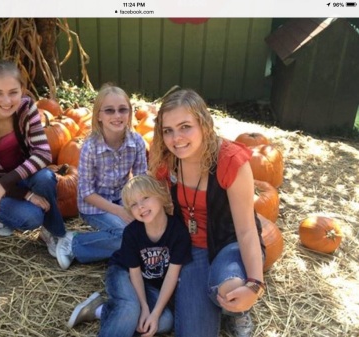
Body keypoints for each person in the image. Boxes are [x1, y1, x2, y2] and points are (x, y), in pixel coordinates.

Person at [148, 89, 266, 337]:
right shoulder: (165, 161)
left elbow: (245, 231)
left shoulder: (230, 161)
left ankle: (236, 309)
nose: (176, 138)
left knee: (228, 287)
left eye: (185, 127)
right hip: (192, 249)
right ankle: (211, 303)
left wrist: (255, 285)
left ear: (204, 124)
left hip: (229, 242)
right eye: (168, 130)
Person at [0, 60, 67, 257]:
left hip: (16, 177)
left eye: (13, 92)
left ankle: (55, 233)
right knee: (32, 217)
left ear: (22, 90)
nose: (7, 101)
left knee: (45, 178)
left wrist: (6, 183)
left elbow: (43, 153)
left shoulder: (27, 109)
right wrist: (25, 195)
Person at [67, 175, 192, 337]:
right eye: (134, 204)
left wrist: (153, 314)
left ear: (161, 197)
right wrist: (145, 307)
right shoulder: (132, 233)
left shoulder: (178, 232)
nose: (140, 206)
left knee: (164, 321)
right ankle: (121, 309)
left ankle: (101, 309)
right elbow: (134, 273)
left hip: (149, 283)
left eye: (145, 198)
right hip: (123, 272)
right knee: (130, 309)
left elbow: (171, 276)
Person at [56, 84, 147, 270]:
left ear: (130, 113)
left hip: (122, 199)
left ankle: (120, 249)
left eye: (123, 110)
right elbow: (87, 193)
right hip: (94, 205)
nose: (117, 115)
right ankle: (74, 242)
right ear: (98, 115)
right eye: (109, 111)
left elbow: (140, 180)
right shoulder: (90, 147)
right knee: (124, 235)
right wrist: (119, 211)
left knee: (145, 231)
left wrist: (140, 207)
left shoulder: (136, 141)